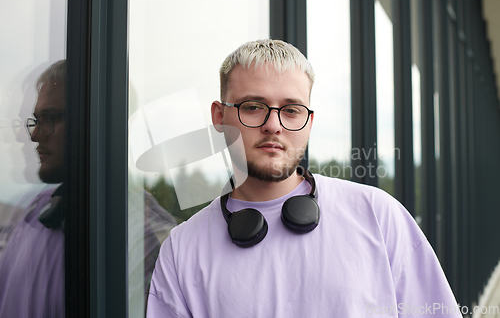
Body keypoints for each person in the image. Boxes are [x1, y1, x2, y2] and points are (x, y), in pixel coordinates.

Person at [147, 39, 462, 317]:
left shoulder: (379, 215)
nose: (273, 125)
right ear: (219, 116)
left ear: (309, 122)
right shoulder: (181, 250)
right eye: (254, 107)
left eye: (291, 110)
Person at [0, 60, 177, 317]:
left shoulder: (148, 240)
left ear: (97, 121)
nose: (35, 134)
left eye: (50, 118)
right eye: (35, 120)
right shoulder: (34, 214)